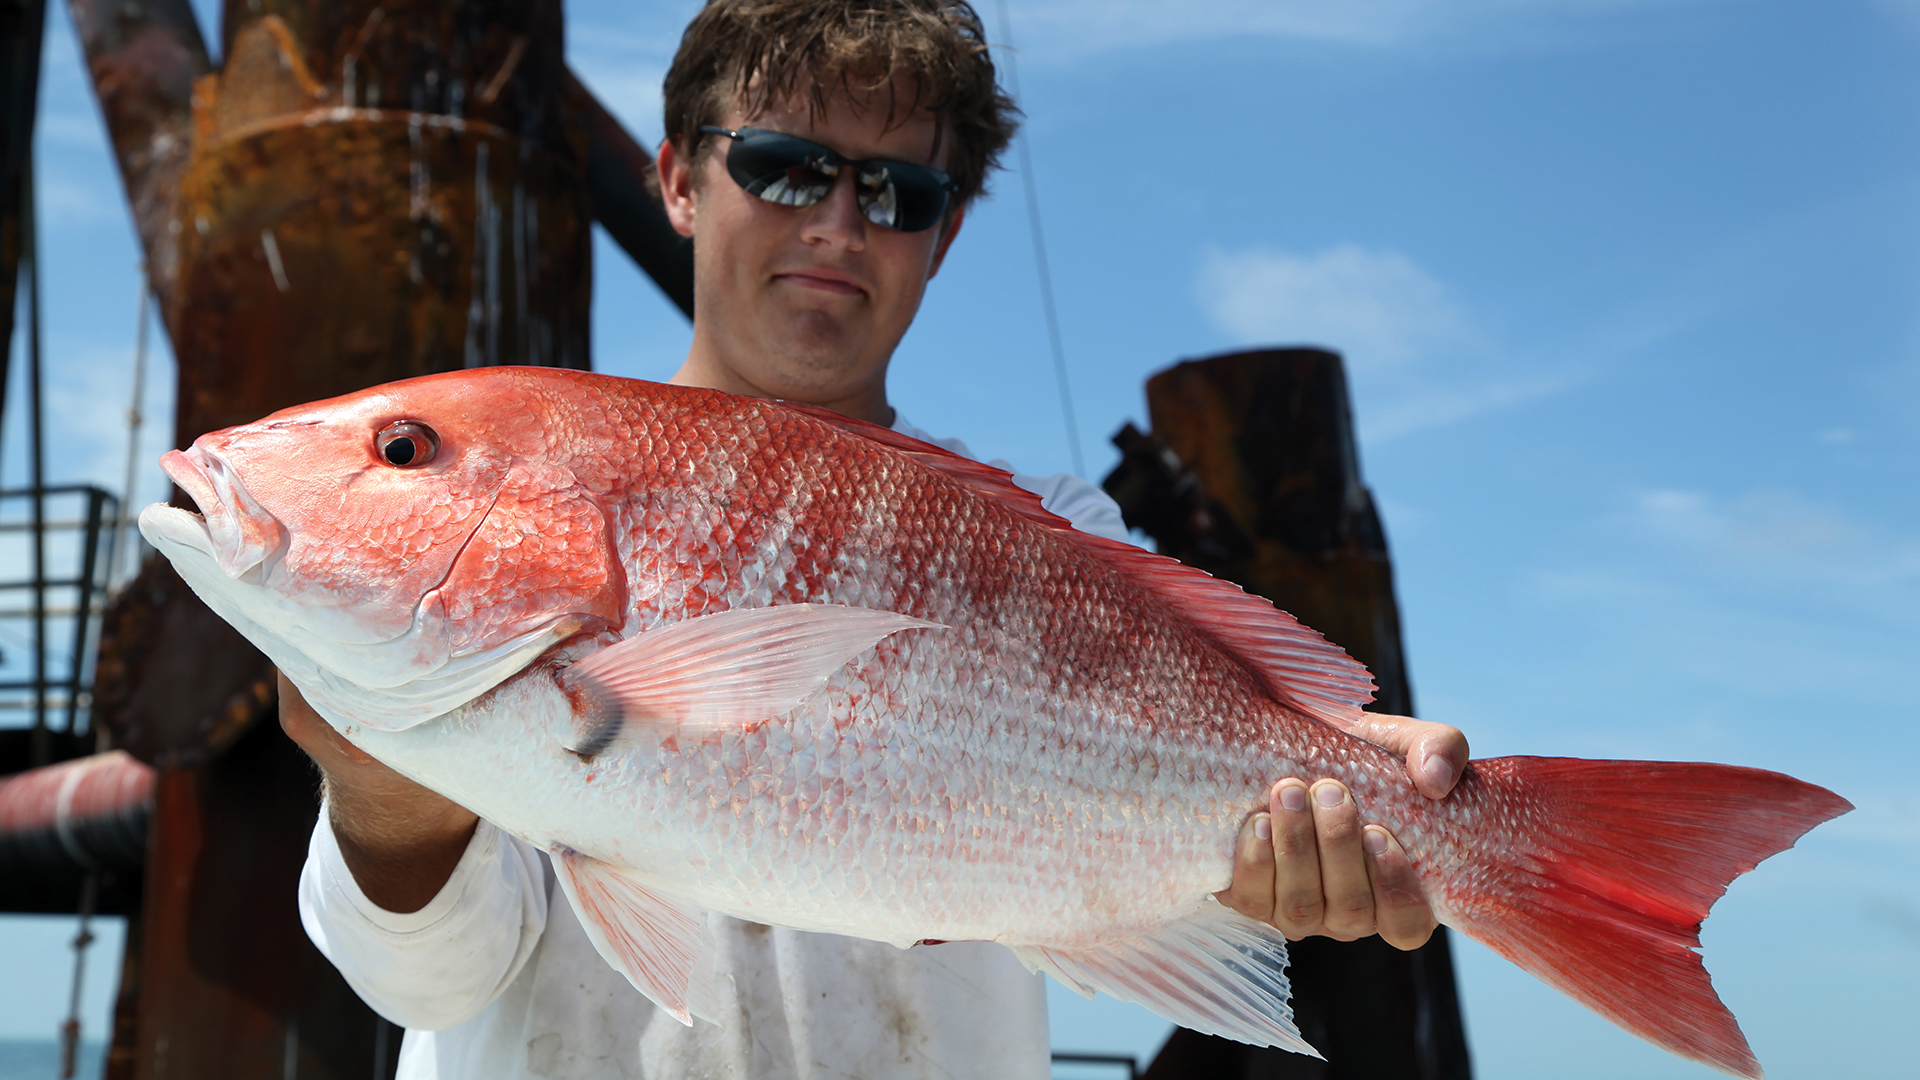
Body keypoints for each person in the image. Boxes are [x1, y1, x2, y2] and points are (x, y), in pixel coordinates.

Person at [285, 2, 1470, 1077]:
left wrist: (1354, 805)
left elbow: (1243, 792)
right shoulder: (541, 509)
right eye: (786, 168)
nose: (841, 224)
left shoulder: (1064, 536)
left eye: (900, 192)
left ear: (943, 238)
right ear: (680, 179)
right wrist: (372, 785)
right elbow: (426, 979)